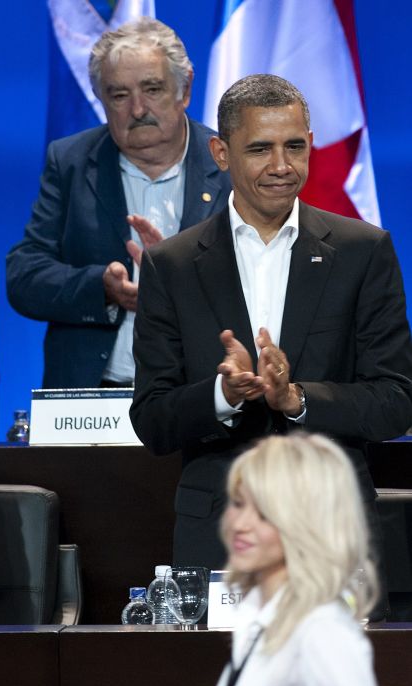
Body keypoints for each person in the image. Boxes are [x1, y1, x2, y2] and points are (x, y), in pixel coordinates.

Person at [130, 74, 412, 572]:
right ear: (221, 153)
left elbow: (395, 402)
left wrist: (296, 398)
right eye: (260, 148)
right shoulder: (170, 265)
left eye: (295, 147)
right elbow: (152, 420)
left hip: (332, 532)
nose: (282, 167)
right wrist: (226, 394)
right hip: (218, 536)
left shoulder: (362, 251)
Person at [6, 17, 230, 389]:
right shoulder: (71, 161)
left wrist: (182, 284)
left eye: (153, 89)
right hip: (94, 395)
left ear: (185, 88)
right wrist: (102, 288)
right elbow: (24, 277)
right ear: (101, 99)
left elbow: (272, 280)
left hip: (203, 392)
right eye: (120, 95)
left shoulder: (228, 164)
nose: (138, 109)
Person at [210, 432, 412, 686]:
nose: (240, 524)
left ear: (305, 522)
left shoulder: (321, 633)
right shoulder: (257, 620)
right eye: (238, 504)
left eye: (264, 513)